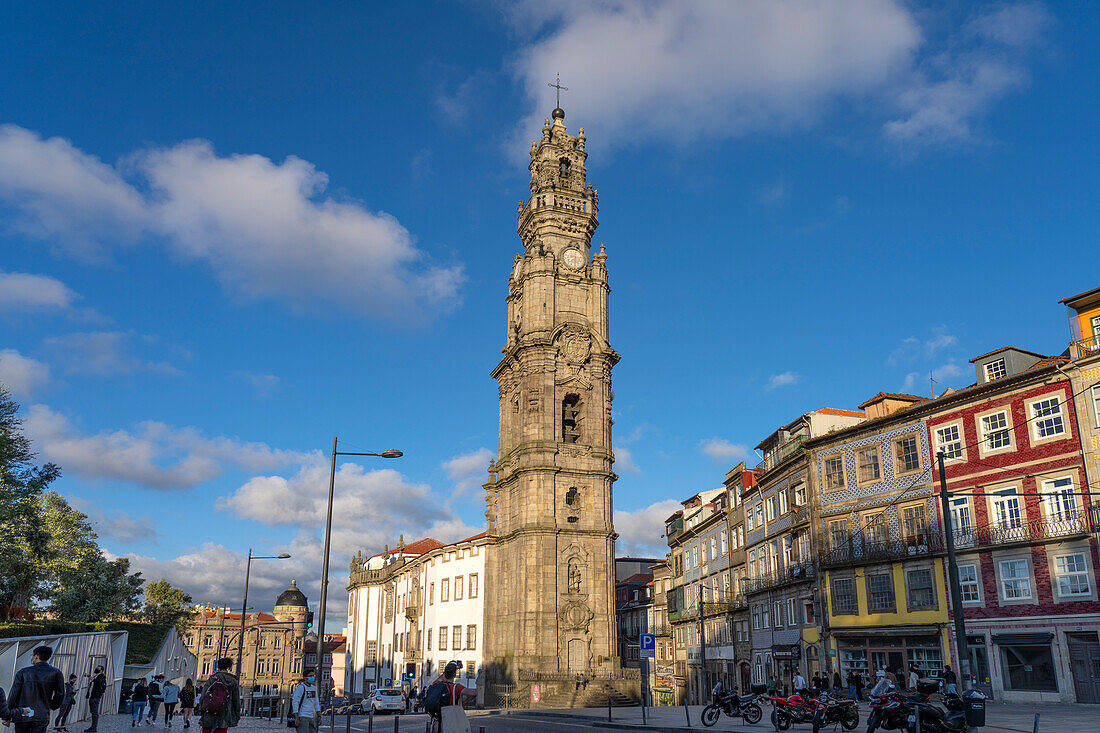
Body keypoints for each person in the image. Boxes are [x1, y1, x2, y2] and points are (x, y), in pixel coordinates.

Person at [7, 645, 65, 733]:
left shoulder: (23, 672)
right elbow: (60, 694)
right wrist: (51, 706)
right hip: (42, 715)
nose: (32, 658)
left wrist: (7, 715)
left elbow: (13, 695)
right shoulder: (56, 673)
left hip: (22, 714)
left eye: (33, 656)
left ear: (36, 656)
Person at [427, 662, 475, 733]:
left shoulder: (436, 684)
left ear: (444, 673)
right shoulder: (456, 687)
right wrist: (464, 703)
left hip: (437, 722)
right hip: (450, 722)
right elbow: (473, 693)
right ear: (455, 675)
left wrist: (448, 670)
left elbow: (440, 678)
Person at [199, 658, 240, 733]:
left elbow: (203, 696)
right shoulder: (233, 681)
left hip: (209, 712)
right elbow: (236, 700)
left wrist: (202, 710)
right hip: (224, 714)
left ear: (217, 666)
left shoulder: (212, 679)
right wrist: (237, 715)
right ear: (229, 667)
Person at [85, 667, 106, 733]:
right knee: (93, 712)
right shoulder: (96, 676)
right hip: (92, 696)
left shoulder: (101, 677)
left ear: (101, 670)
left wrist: (89, 676)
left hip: (95, 697)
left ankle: (94, 728)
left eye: (98, 668)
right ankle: (92, 727)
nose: (96, 668)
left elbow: (97, 682)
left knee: (95, 712)